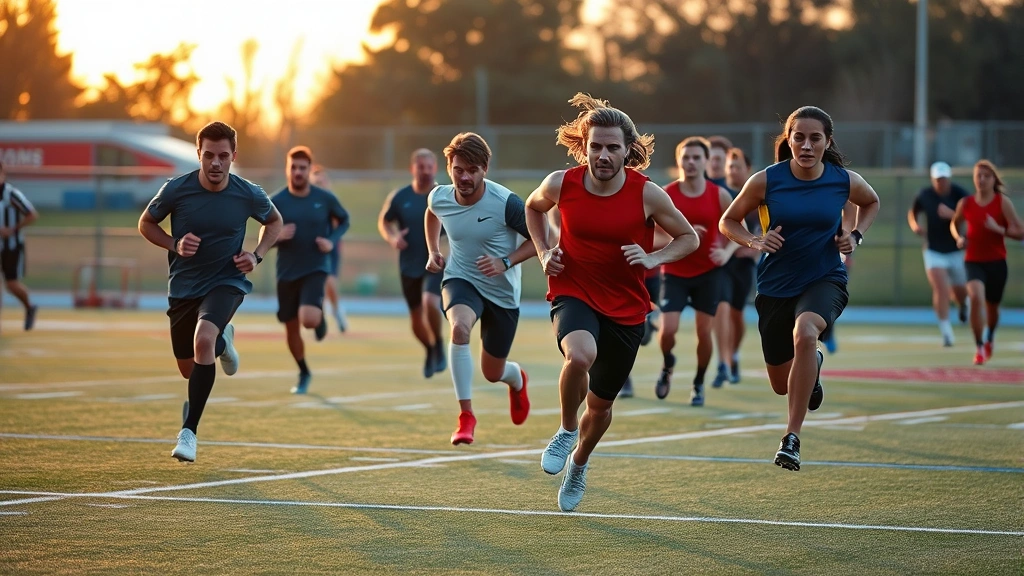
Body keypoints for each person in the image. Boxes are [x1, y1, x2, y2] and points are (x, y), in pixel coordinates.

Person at [525, 93, 698, 512]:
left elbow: (689, 237)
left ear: (628, 150)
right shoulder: (560, 184)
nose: (603, 155)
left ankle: (579, 464)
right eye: (595, 146)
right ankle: (566, 431)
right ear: (583, 146)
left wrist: (653, 257)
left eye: (612, 147)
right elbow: (532, 208)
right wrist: (546, 251)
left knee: (600, 407)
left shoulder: (648, 194)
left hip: (626, 306)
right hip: (574, 291)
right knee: (579, 355)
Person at [720, 106, 879, 472]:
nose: (806, 145)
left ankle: (791, 438)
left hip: (825, 278)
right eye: (799, 137)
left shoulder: (843, 179)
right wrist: (754, 241)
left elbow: (870, 202)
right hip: (775, 286)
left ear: (827, 142)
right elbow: (728, 220)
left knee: (806, 332)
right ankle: (814, 366)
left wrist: (854, 235)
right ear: (788, 139)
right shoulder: (766, 180)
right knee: (781, 385)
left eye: (815, 138)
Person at [138, 121, 282, 462]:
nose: (215, 163)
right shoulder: (176, 189)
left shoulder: (249, 193)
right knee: (189, 368)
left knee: (202, 339)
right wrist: (174, 244)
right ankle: (224, 340)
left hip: (226, 281)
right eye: (208, 156)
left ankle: (189, 433)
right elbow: (146, 223)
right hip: (184, 287)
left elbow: (275, 223)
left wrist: (256, 255)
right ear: (198, 155)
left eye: (222, 156)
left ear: (233, 156)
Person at [425, 132, 535, 446]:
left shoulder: (506, 203)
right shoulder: (441, 196)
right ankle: (466, 415)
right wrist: (433, 249)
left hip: (502, 294)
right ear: (449, 168)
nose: (464, 177)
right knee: (459, 329)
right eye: (458, 169)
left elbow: (545, 238)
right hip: (461, 279)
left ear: (484, 169)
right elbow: (432, 212)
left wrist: (507, 260)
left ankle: (517, 379)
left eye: (472, 170)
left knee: (492, 371)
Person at [655, 137, 737, 407]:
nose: (690, 162)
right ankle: (668, 364)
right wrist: (684, 238)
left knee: (704, 332)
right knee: (668, 330)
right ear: (678, 161)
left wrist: (725, 252)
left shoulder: (719, 195)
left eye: (696, 157)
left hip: (708, 274)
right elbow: (652, 237)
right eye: (685, 157)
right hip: (674, 272)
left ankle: (699, 382)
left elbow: (737, 229)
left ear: (706, 162)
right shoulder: (666, 195)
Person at [271, 147, 350, 394]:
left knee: (308, 319)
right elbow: (265, 236)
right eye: (293, 167)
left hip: (315, 268)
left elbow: (344, 220)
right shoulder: (276, 201)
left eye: (302, 168)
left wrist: (331, 240)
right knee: (292, 329)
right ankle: (303, 370)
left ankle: (319, 317)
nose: (297, 172)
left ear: (309, 169)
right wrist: (278, 236)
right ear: (287, 169)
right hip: (286, 273)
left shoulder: (324, 198)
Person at [379, 149, 447, 377]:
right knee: (416, 318)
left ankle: (438, 343)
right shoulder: (401, 197)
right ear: (413, 169)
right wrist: (392, 237)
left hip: (435, 261)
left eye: (430, 167)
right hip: (408, 264)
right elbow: (385, 221)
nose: (426, 171)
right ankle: (429, 350)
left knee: (430, 301)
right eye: (421, 167)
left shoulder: (443, 195)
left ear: (435, 168)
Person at [950, 160, 1022, 365]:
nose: (981, 179)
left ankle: (989, 337)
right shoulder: (966, 203)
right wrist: (958, 237)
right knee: (976, 297)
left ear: (993, 180)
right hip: (973, 261)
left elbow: (1020, 231)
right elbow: (955, 224)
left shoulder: (1002, 202)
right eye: (978, 176)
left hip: (997, 262)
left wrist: (999, 229)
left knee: (992, 309)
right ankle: (979, 346)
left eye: (986, 176)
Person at [908, 161, 970, 346]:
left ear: (949, 178)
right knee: (941, 289)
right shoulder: (925, 195)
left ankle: (964, 306)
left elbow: (972, 216)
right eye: (937, 179)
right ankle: (946, 332)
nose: (940, 183)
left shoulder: (960, 194)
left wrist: (953, 214)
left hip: (956, 249)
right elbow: (913, 212)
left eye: (943, 179)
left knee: (959, 290)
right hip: (934, 250)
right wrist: (916, 226)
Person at [721, 147, 758, 382]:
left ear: (747, 169)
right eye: (729, 166)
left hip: (744, 265)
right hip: (721, 265)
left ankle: (733, 354)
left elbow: (766, 225)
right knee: (720, 312)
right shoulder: (720, 193)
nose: (732, 171)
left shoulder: (756, 195)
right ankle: (723, 361)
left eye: (737, 166)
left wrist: (755, 249)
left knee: (736, 314)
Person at [0, 161, 39, 332]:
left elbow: (32, 215)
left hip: (11, 246)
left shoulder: (11, 194)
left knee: (11, 284)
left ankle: (29, 306)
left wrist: (13, 229)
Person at [311, 164, 349, 333]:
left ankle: (336, 310)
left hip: (329, 246)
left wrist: (329, 240)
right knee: (315, 282)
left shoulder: (330, 200)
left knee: (329, 280)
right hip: (311, 247)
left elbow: (340, 222)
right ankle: (320, 311)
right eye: (316, 181)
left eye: (322, 181)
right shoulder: (308, 200)